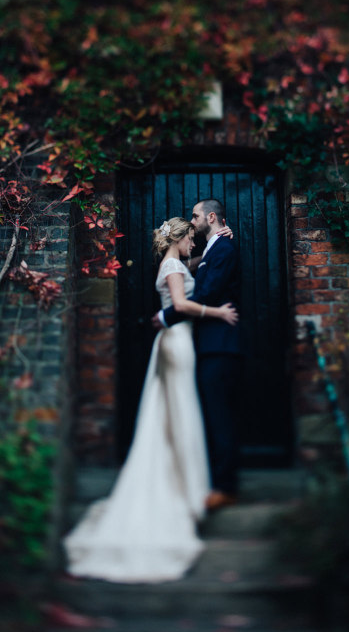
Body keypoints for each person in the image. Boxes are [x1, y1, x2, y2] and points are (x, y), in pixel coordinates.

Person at [63, 217, 238, 583]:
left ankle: (187, 484)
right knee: (178, 412)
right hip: (178, 341)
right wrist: (217, 312)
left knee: (179, 411)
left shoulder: (177, 262)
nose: (194, 243)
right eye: (192, 238)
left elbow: (200, 266)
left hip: (181, 341)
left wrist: (216, 240)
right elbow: (181, 303)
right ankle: (182, 488)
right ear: (180, 238)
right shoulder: (172, 265)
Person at [153, 199, 243, 511]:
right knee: (210, 413)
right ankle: (213, 481)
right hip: (204, 344)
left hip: (219, 343)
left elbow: (207, 294)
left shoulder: (223, 249)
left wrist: (167, 316)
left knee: (220, 415)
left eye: (196, 216)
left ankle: (225, 486)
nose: (193, 222)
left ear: (212, 217)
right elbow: (187, 270)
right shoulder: (212, 250)